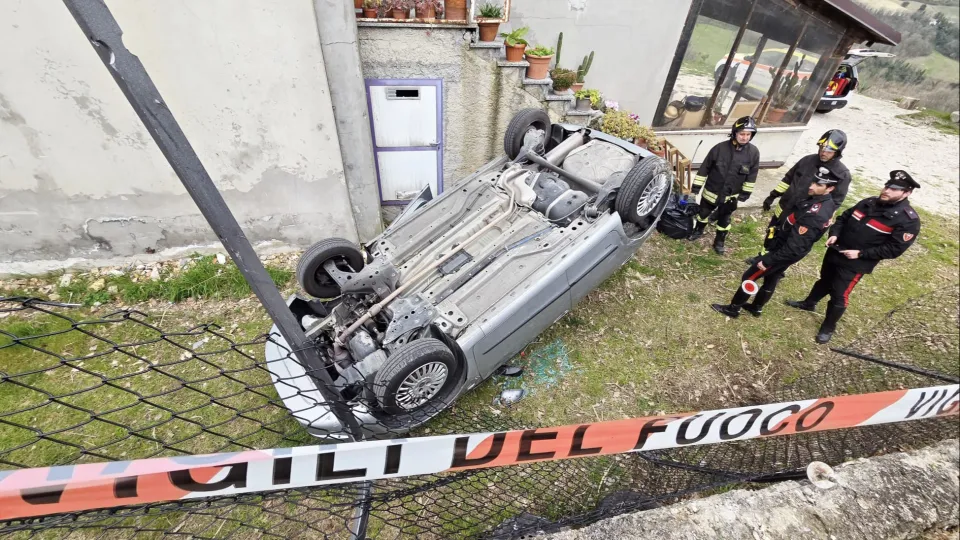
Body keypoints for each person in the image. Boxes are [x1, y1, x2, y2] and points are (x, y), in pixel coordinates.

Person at [785, 170, 922, 344]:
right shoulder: (868, 202)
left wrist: (861, 254)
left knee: (839, 293)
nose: (886, 191)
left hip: (856, 262)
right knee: (825, 280)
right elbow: (843, 218)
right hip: (836, 250)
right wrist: (834, 234)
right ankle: (809, 303)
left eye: (894, 189)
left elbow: (895, 249)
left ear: (907, 193)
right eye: (887, 186)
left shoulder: (908, 220)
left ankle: (828, 327)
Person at [711, 168, 839, 318]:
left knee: (750, 276)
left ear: (830, 188)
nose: (811, 186)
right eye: (813, 182)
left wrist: (768, 260)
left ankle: (733, 309)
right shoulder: (824, 202)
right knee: (773, 277)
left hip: (783, 251)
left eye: (819, 185)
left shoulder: (816, 214)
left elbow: (795, 246)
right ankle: (756, 307)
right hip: (786, 248)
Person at [747, 129, 852, 264]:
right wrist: (773, 195)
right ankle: (762, 256)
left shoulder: (842, 174)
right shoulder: (807, 160)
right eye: (821, 148)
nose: (823, 153)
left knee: (789, 240)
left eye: (828, 151)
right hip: (785, 206)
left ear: (838, 152)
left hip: (803, 216)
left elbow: (835, 202)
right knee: (772, 233)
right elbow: (788, 179)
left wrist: (817, 219)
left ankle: (776, 265)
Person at [688, 116, 760, 255]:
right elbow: (705, 168)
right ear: (735, 133)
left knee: (724, 220)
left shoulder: (753, 153)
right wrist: (696, 186)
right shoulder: (719, 148)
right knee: (703, 213)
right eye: (742, 134)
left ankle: (719, 242)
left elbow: (752, 174)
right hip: (711, 192)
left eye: (748, 134)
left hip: (730, 197)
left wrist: (746, 192)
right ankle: (698, 230)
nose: (745, 137)